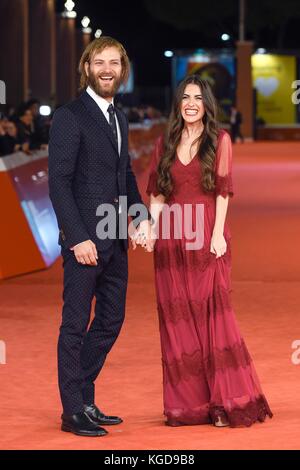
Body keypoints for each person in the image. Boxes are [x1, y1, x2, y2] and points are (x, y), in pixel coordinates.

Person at [145, 75, 273, 428]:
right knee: (178, 322)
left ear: (207, 104)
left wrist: (217, 235)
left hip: (205, 236)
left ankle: (226, 401)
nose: (190, 103)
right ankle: (191, 405)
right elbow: (157, 192)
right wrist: (152, 227)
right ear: (178, 103)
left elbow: (222, 190)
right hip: (171, 240)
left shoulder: (220, 140)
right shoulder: (165, 142)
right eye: (185, 97)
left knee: (213, 316)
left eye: (197, 98)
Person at [48, 36, 151, 437]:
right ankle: (72, 410)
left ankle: (84, 397)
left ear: (122, 70)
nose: (107, 69)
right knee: (74, 325)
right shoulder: (70, 116)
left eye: (114, 62)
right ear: (87, 68)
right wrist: (77, 237)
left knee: (111, 319)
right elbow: (58, 182)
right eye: (99, 62)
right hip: (85, 243)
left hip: (114, 238)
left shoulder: (119, 118)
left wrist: (139, 217)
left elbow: (123, 175)